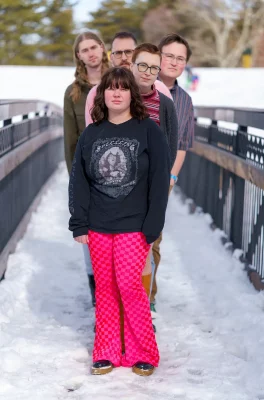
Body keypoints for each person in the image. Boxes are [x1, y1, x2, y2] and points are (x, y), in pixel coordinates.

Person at [68, 67, 170, 376]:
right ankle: (106, 351)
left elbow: (159, 179)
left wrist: (154, 224)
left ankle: (143, 352)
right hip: (98, 224)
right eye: (110, 88)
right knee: (106, 288)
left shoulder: (148, 130)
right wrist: (79, 223)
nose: (116, 93)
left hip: (134, 224)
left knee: (128, 284)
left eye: (122, 88)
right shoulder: (92, 132)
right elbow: (79, 181)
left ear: (131, 94)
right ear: (102, 95)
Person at [85, 43, 179, 319]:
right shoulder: (113, 94)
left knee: (146, 249)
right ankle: (114, 318)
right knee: (112, 257)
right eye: (143, 66)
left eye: (154, 67)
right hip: (111, 190)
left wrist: (162, 181)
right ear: (132, 65)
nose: (148, 72)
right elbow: (94, 140)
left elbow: (170, 146)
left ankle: (142, 313)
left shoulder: (164, 101)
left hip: (147, 191)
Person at [63, 31, 109, 306]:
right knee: (91, 238)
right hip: (89, 176)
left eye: (94, 47)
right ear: (78, 56)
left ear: (102, 48)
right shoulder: (74, 92)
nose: (91, 53)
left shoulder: (119, 81)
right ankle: (99, 299)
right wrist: (76, 185)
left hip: (120, 171)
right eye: (84, 50)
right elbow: (70, 141)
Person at [149, 34, 195, 308]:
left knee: (153, 239)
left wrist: (171, 178)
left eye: (181, 58)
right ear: (158, 55)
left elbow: (183, 144)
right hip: (129, 176)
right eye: (169, 55)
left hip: (162, 178)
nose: (174, 62)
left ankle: (147, 300)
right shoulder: (139, 87)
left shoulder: (184, 100)